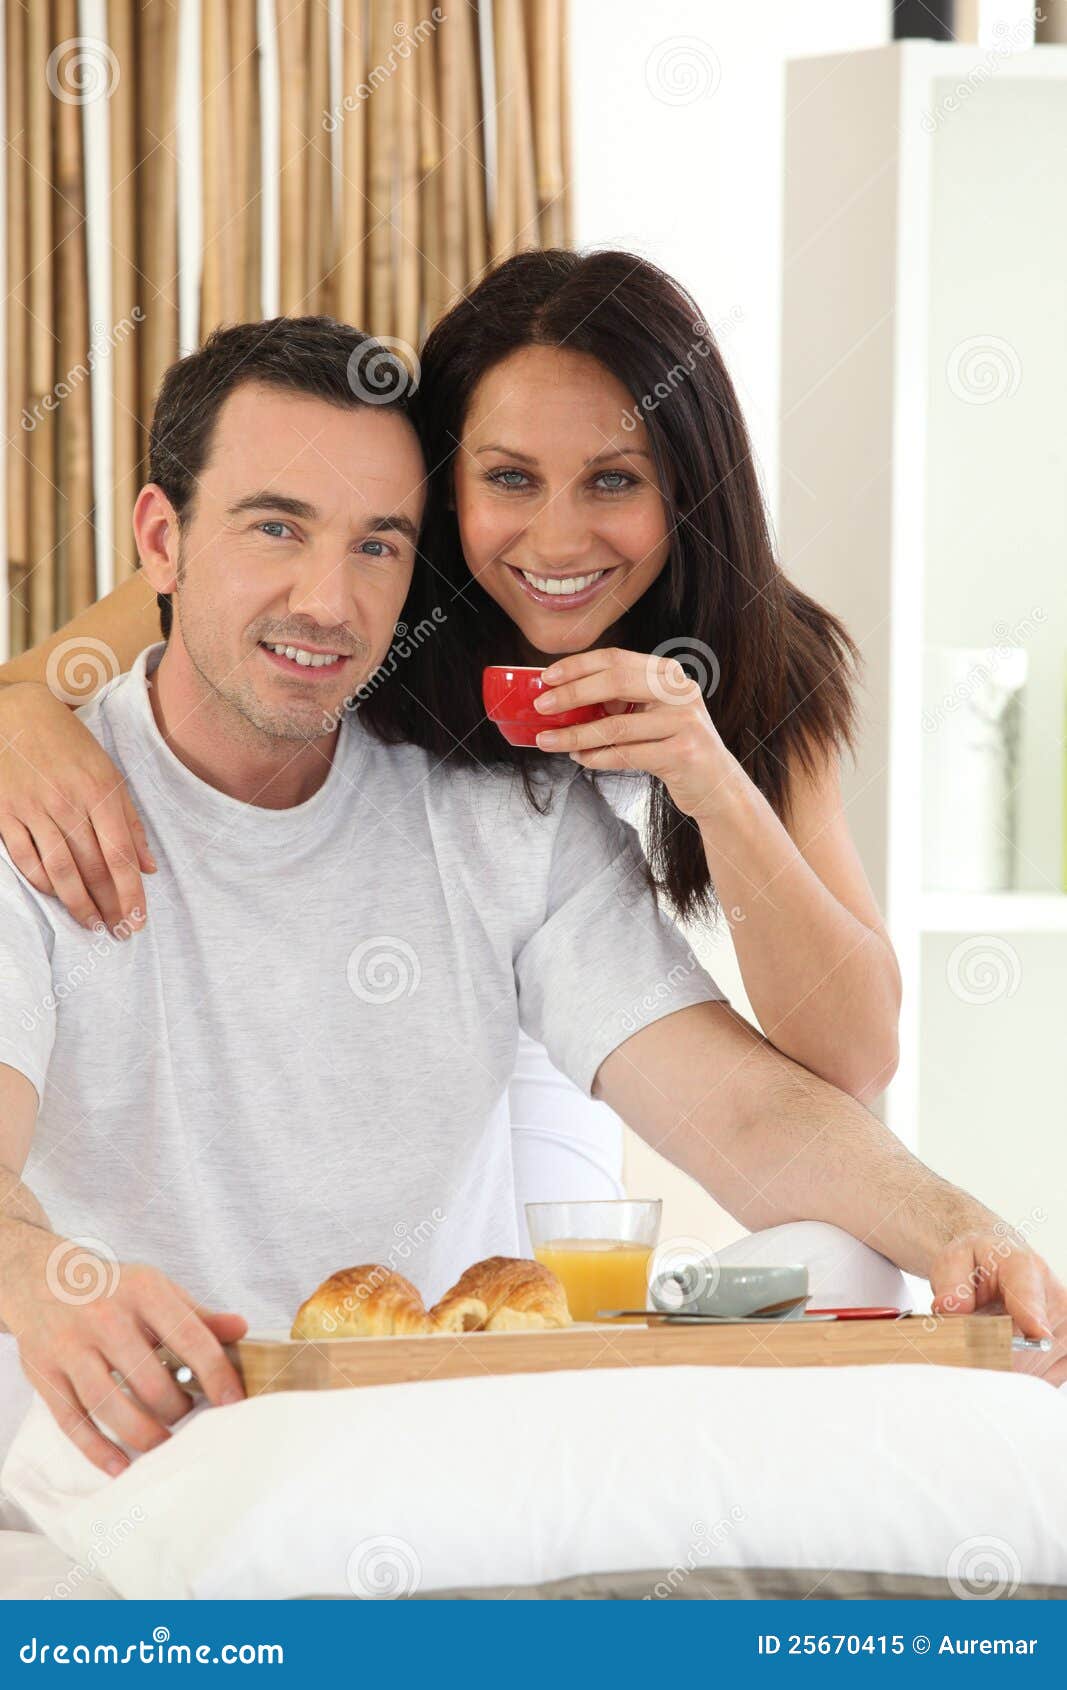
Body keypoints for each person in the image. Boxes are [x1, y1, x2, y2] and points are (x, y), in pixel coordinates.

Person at [0, 319, 1062, 1485]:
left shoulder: (510, 804)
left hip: (434, 1468)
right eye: (274, 528)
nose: (327, 599)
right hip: (123, 1469)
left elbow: (753, 1110)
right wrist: (49, 1282)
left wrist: (968, 1226)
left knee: (840, 1265)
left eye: (377, 546)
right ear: (162, 537)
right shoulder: (38, 807)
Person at [0, 252, 901, 1237]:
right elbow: (50, 676)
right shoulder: (348, 567)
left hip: (567, 940)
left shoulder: (753, 654)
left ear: (686, 487)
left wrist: (711, 783)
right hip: (425, 949)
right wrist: (21, 721)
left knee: (575, 1246)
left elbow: (854, 1056)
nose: (557, 543)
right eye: (509, 478)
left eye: (612, 480)